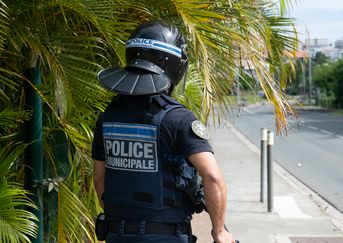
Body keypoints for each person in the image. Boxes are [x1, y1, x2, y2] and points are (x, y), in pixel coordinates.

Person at [91, 21, 236, 243]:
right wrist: (219, 231)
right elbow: (212, 177)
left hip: (116, 234)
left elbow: (100, 180)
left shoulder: (108, 117)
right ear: (174, 65)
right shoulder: (178, 118)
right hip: (166, 236)